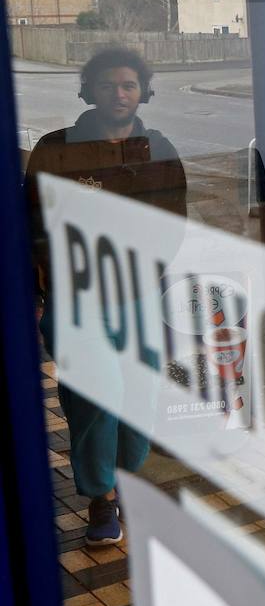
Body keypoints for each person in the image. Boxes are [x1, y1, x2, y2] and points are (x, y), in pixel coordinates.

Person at [24, 46, 187, 546]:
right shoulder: (58, 148)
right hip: (75, 300)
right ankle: (101, 497)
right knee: (98, 394)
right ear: (89, 90)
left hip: (137, 294)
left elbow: (172, 221)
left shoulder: (157, 147)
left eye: (129, 85)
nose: (119, 93)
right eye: (108, 85)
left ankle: (129, 483)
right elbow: (31, 223)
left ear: (143, 91)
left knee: (137, 394)